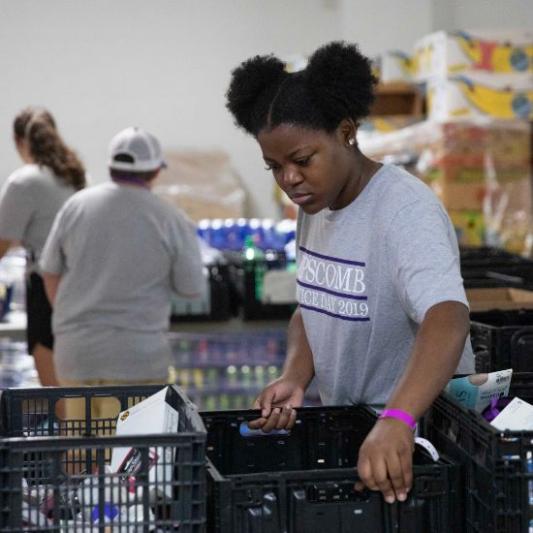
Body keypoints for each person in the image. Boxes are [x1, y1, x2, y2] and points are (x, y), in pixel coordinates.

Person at [225, 42, 474, 504]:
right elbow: (314, 304)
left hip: (418, 443)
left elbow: (448, 316)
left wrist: (397, 420)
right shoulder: (315, 206)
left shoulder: (403, 211)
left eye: (302, 160)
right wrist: (295, 377)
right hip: (360, 430)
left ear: (346, 133)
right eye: (274, 167)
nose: (289, 179)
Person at [40, 126, 206, 419]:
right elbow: (192, 288)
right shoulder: (170, 218)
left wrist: (73, 317)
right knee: (134, 456)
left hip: (78, 354)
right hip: (139, 360)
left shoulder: (76, 206)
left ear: (110, 166)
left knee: (80, 451)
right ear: (155, 171)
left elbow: (49, 271)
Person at [0, 107, 86, 386]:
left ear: (18, 142)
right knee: (79, 380)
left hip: (46, 286)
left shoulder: (24, 181)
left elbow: (1, 243)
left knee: (55, 384)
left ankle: (68, 428)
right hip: (84, 284)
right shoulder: (76, 176)